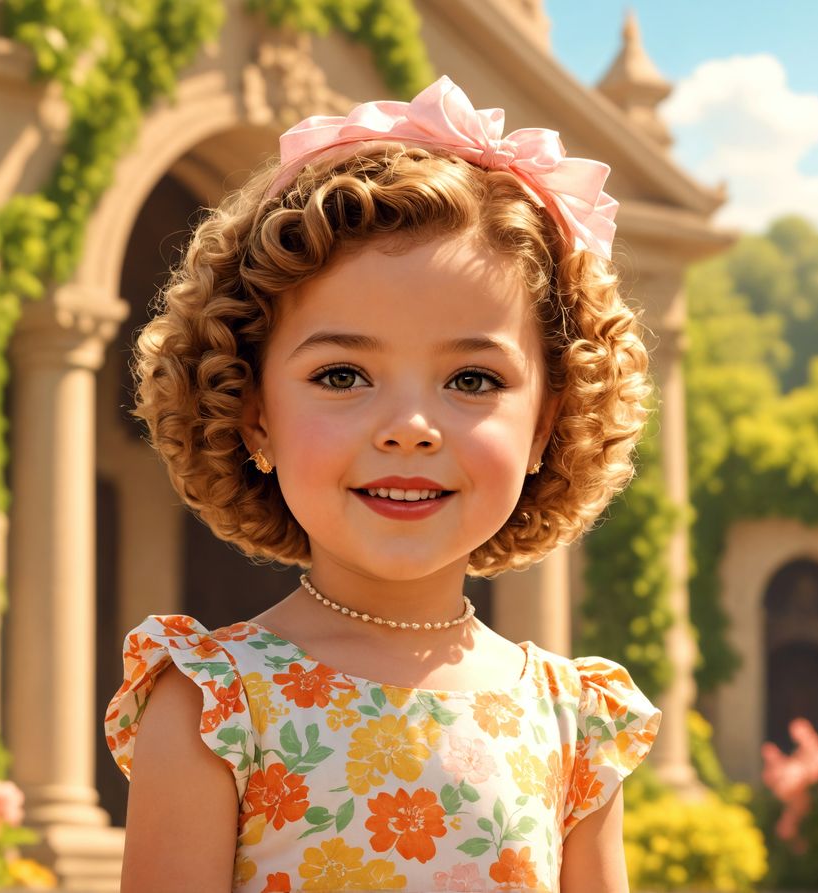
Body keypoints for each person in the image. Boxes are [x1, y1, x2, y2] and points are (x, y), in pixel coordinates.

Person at [103, 75, 664, 892]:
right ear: (252, 411)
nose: (410, 425)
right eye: (341, 374)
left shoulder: (573, 722)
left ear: (549, 421)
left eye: (472, 380)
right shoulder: (216, 706)